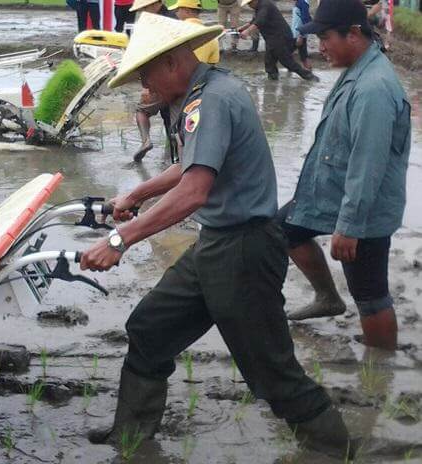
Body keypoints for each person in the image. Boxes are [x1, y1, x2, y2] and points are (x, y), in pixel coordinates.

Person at [80, 12, 354, 459]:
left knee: (270, 370)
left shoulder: (213, 99)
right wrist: (138, 192)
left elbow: (193, 191)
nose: (143, 87)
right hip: (216, 243)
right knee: (149, 329)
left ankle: (332, 449)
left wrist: (120, 239)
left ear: (171, 63)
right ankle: (132, 439)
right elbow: (188, 163)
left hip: (244, 250)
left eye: (145, 74)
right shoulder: (198, 95)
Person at [278, 0, 410, 352]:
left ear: (353, 34)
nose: (320, 47)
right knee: (286, 228)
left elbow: (368, 164)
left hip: (364, 208)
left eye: (325, 38)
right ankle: (327, 297)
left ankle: (380, 369)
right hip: (333, 192)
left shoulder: (373, 89)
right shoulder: (356, 72)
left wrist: (349, 226)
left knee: (369, 294)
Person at [127, 0, 177, 162]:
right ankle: (177, 157)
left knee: (142, 110)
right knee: (171, 117)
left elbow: (148, 57)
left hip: (162, 80)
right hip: (179, 78)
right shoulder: (174, 19)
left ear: (156, 4)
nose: (143, 12)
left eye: (145, 8)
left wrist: (147, 86)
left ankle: (146, 142)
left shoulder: (157, 24)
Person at [239, 0, 318, 80]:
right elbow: (254, 21)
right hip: (271, 39)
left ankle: (309, 76)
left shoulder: (265, 5)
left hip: (279, 37)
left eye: (249, 3)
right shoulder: (259, 8)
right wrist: (241, 28)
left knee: (287, 61)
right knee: (269, 61)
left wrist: (247, 31)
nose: (249, 6)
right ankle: (272, 78)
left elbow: (260, 21)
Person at [168, 0, 220, 64]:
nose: (176, 13)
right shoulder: (212, 37)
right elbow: (212, 65)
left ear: (187, 11)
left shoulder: (175, 33)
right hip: (201, 73)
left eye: (177, 10)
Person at [291, 0, 312, 69]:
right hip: (297, 33)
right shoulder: (300, 3)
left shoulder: (302, 3)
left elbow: (305, 19)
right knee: (303, 55)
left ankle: (309, 74)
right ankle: (309, 73)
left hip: (298, 34)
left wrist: (301, 35)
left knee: (287, 53)